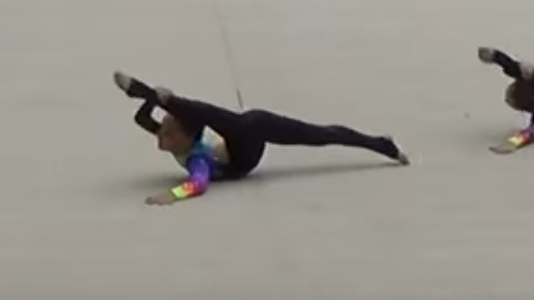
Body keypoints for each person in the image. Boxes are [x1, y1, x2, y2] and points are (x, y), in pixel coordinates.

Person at [116, 72, 408, 206]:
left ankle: (382, 144)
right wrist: (150, 102)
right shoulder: (182, 141)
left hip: (246, 143)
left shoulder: (197, 159)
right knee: (226, 119)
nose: (160, 136)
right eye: (163, 130)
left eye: (167, 132)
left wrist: (172, 195)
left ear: (185, 138)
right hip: (245, 141)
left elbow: (198, 184)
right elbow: (142, 120)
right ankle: (167, 100)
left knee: (321, 134)